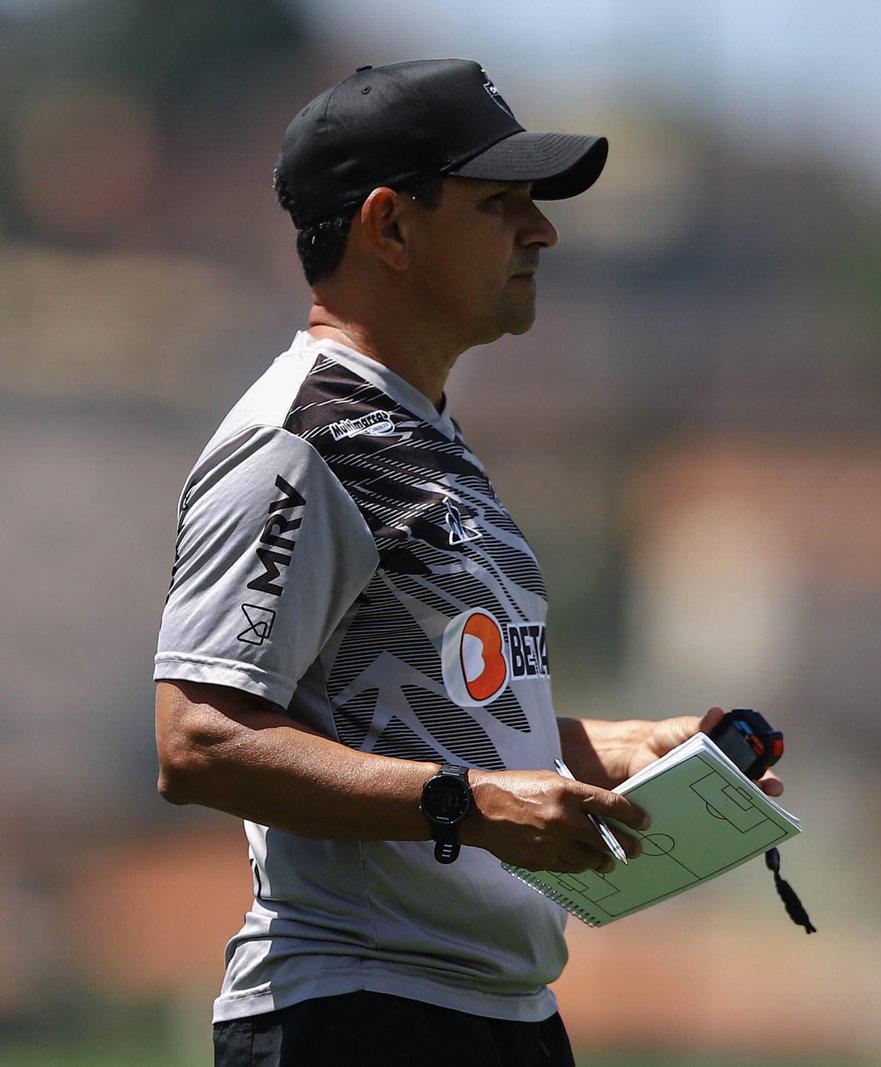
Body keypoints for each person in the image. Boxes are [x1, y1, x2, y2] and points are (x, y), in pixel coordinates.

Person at [152, 58, 781, 1067]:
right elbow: (199, 737)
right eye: (500, 205)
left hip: (500, 1013)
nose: (542, 231)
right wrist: (475, 806)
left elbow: (426, 720)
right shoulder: (297, 439)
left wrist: (621, 747)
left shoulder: (421, 434)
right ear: (390, 227)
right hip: (358, 1012)